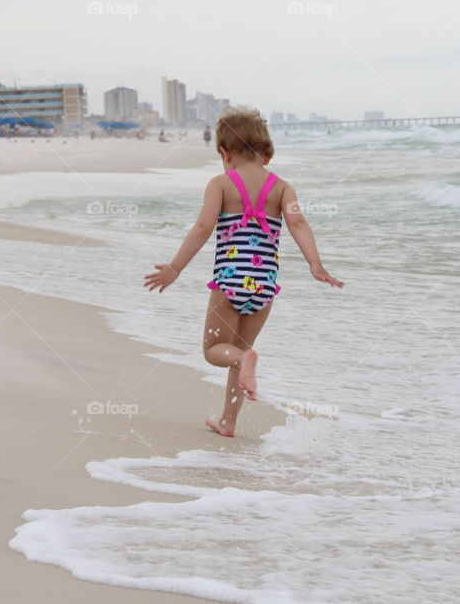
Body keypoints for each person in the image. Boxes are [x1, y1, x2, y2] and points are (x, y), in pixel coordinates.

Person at [143, 106, 342, 437]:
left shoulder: (221, 184)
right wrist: (315, 264)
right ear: (267, 154)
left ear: (225, 153)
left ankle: (240, 385)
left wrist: (175, 268)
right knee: (240, 353)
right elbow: (297, 222)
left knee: (216, 352)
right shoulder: (282, 188)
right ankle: (228, 421)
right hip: (265, 286)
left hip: (228, 282)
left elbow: (204, 226)